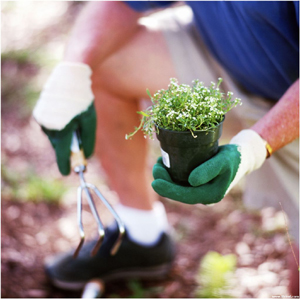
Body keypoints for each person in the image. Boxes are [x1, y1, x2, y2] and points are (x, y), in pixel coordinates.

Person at [33, 1, 299, 295]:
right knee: (98, 57)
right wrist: (70, 74)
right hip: (225, 55)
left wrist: (253, 147)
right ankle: (141, 234)